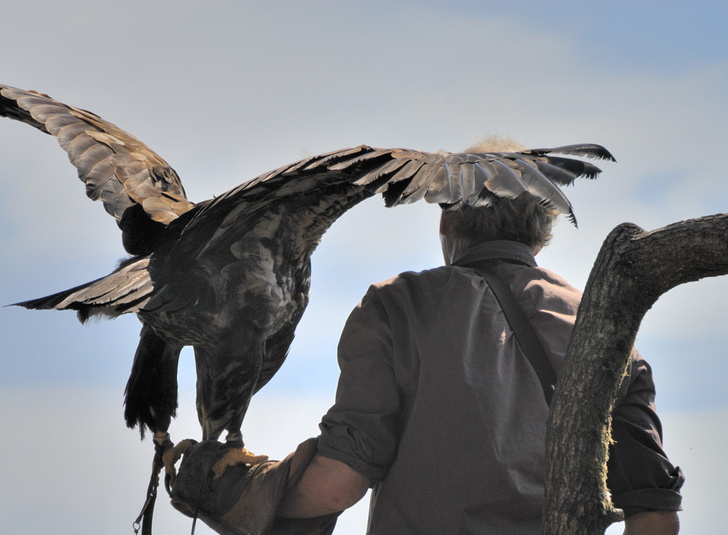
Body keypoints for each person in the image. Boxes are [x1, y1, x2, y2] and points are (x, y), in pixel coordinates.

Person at [171, 139, 684, 535]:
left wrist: (232, 488)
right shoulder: (607, 335)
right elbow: (654, 514)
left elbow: (338, 482)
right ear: (541, 231)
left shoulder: (397, 307)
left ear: (447, 220)